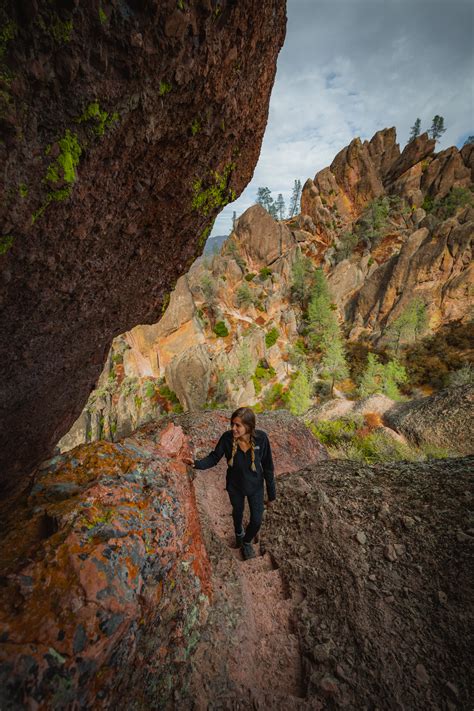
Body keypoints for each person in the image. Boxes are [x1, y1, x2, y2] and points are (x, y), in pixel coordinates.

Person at [184, 407, 276, 560]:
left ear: (249, 426)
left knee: (256, 520)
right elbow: (214, 458)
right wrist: (195, 464)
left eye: (237, 425)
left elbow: (268, 467)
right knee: (238, 512)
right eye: (232, 424)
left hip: (256, 487)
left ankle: (246, 541)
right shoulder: (227, 438)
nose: (233, 428)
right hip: (235, 486)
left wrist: (271, 495)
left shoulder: (261, 439)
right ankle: (239, 534)